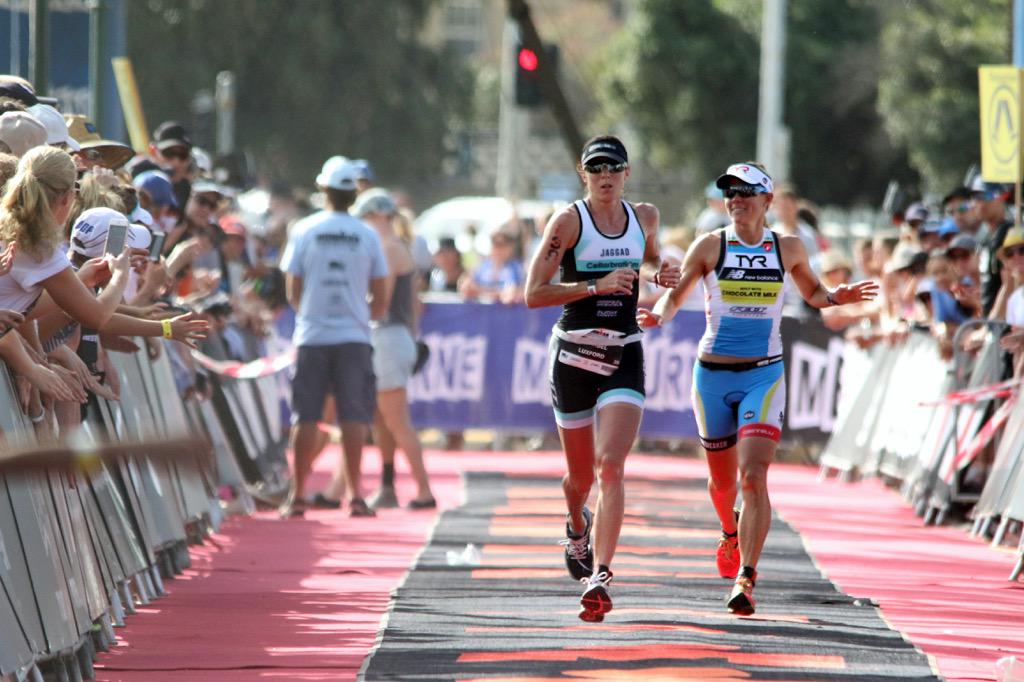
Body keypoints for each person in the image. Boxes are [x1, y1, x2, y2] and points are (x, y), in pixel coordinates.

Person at [637, 162, 877, 616]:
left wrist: (835, 296)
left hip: (763, 375)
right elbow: (677, 293)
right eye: (730, 192)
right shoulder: (710, 245)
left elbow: (813, 292)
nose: (736, 200)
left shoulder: (787, 247)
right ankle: (729, 530)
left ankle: (746, 575)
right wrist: (657, 316)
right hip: (711, 376)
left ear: (768, 201)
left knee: (753, 475)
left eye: (747, 192)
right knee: (722, 484)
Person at [524, 135, 681, 622]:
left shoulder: (645, 216)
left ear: (627, 173)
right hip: (573, 354)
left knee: (611, 467)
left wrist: (659, 274)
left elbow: (648, 256)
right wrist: (595, 284)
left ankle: (601, 574)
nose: (605, 176)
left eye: (613, 168)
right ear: (582, 173)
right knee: (580, 478)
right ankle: (577, 524)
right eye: (596, 169)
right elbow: (533, 293)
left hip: (623, 353)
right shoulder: (569, 221)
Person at [278, 156, 388, 518]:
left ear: (323, 189)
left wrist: (309, 314)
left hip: (313, 335)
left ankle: (296, 496)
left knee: (305, 417)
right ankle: (356, 496)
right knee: (353, 417)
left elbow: (292, 287)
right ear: (353, 194)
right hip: (354, 337)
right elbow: (380, 292)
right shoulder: (367, 234)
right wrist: (361, 318)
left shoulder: (304, 229)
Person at [333, 188, 436, 510]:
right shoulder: (396, 246)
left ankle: (423, 490)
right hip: (392, 338)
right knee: (381, 420)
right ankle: (385, 486)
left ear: (378, 217)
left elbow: (380, 301)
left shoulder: (389, 248)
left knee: (396, 420)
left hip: (388, 338)